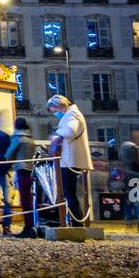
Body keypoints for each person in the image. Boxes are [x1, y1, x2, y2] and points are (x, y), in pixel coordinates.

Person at [47, 94, 93, 227]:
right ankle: (74, 222)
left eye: (55, 111)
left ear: (61, 106)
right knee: (69, 193)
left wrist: (56, 135)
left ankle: (77, 223)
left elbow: (70, 130)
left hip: (70, 160)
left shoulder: (73, 115)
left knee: (69, 193)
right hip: (69, 159)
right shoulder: (71, 114)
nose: (55, 114)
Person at [4, 116, 37, 237]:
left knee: (24, 201)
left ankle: (28, 228)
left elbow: (9, 154)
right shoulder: (30, 139)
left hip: (21, 169)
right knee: (28, 200)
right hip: (29, 170)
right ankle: (30, 225)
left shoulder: (18, 138)